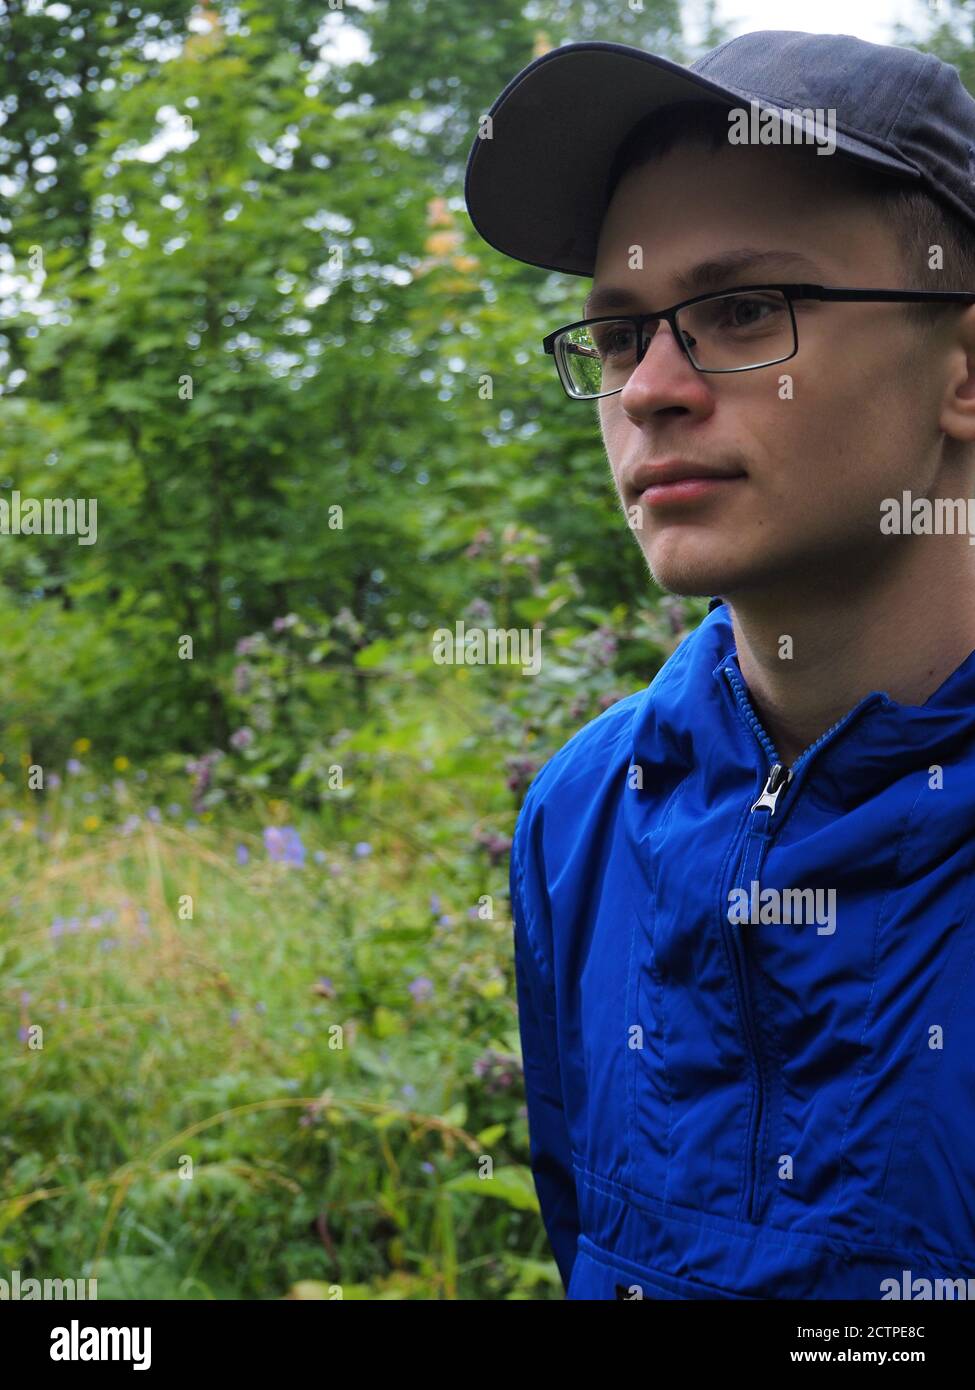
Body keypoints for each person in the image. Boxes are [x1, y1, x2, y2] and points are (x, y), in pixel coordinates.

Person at [465, 30, 975, 1300]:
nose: (648, 390)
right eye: (616, 333)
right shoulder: (584, 817)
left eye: (742, 310)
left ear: (963, 370)